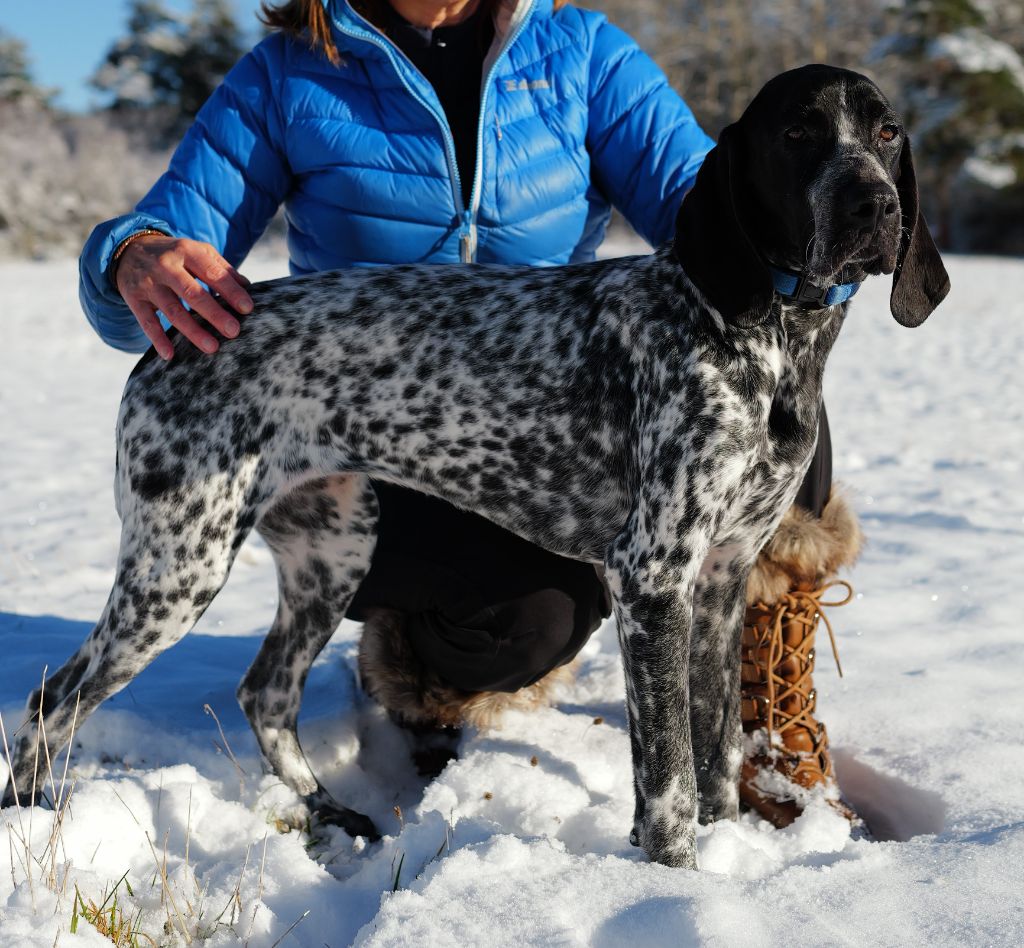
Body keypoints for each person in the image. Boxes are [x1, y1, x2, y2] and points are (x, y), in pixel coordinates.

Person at [79, 0, 861, 826]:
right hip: (363, 442)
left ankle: (761, 706)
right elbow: (169, 280)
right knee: (480, 622)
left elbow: (718, 209)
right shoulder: (288, 72)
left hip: (539, 452)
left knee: (774, 409)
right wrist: (134, 254)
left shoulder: (581, 54)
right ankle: (403, 655)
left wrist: (835, 233)